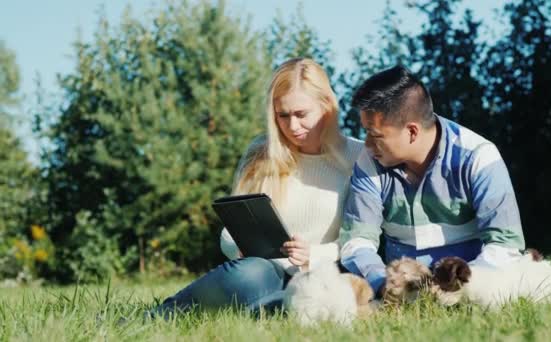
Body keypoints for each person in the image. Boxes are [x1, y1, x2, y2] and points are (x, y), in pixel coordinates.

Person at [149, 58, 363, 318]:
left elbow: (365, 237)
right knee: (248, 273)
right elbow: (231, 229)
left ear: (327, 106)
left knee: (313, 296)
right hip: (266, 273)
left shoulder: (358, 156)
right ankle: (158, 316)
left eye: (301, 114)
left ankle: (272, 309)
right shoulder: (260, 153)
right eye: (282, 115)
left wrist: (314, 254)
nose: (292, 126)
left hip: (328, 274)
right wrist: (237, 246)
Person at [338, 65, 526, 296]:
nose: (366, 144)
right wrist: (383, 284)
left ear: (412, 132)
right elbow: (356, 241)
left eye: (375, 135)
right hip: (402, 293)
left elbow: (505, 246)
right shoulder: (368, 161)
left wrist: (452, 287)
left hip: (470, 287)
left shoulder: (478, 156)